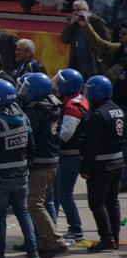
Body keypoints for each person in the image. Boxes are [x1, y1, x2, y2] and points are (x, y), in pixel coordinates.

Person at [0, 80, 40, 258]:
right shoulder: (24, 118)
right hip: (21, 176)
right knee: (23, 212)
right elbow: (32, 148)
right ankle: (33, 253)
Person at [19, 73, 69, 258]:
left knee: (34, 203)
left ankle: (55, 241)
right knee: (44, 201)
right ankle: (45, 241)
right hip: (53, 159)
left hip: (40, 162)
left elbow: (29, 136)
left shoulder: (35, 110)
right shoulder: (54, 105)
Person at [80, 75, 124, 252]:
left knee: (97, 202)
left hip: (102, 164)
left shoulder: (98, 115)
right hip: (118, 161)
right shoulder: (117, 109)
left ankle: (106, 238)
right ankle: (115, 236)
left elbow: (92, 145)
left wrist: (85, 168)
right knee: (112, 200)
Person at [52, 69, 88, 242]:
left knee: (64, 193)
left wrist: (51, 134)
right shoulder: (78, 100)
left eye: (60, 83)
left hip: (70, 156)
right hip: (70, 155)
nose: (57, 86)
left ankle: (76, 229)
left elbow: (65, 134)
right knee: (58, 193)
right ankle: (52, 226)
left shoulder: (72, 107)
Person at [60, 0, 111, 79]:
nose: (77, 13)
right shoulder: (73, 23)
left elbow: (107, 39)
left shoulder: (96, 21)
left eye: (79, 10)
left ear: (86, 10)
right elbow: (64, 39)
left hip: (93, 63)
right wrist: (71, 24)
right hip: (77, 64)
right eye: (75, 11)